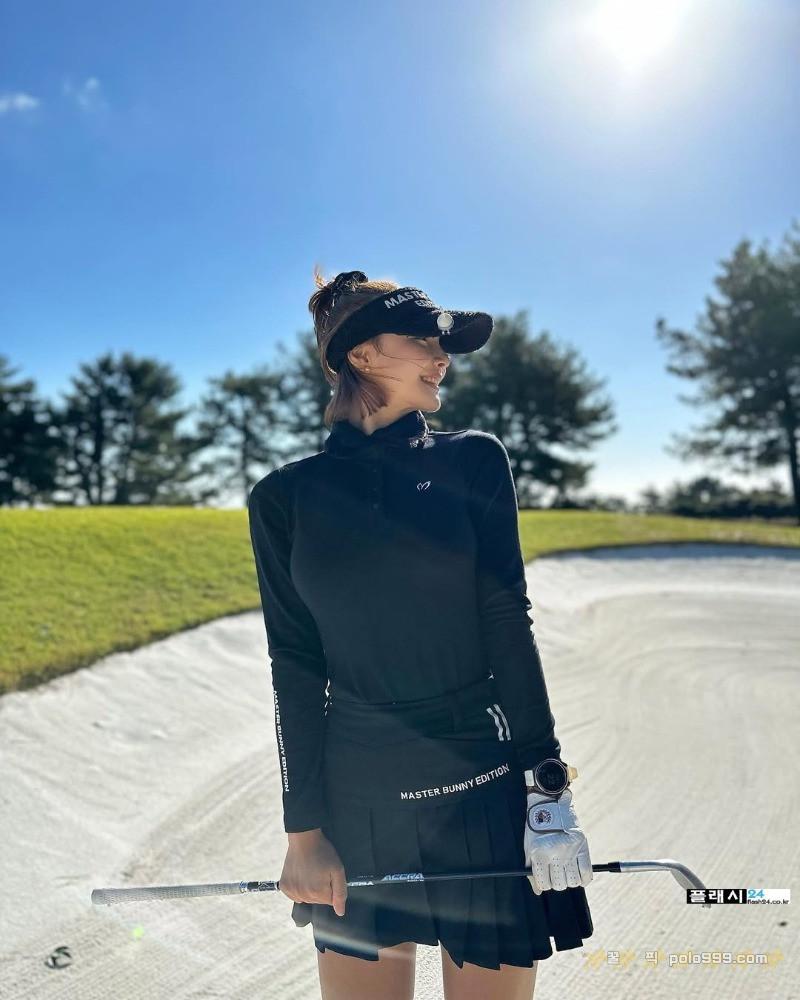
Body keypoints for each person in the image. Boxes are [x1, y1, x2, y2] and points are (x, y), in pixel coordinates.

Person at [247, 269, 594, 1000]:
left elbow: (507, 623)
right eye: (424, 342)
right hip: (358, 805)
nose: (443, 360)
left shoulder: (474, 460)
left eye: (445, 347)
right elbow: (296, 667)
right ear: (361, 355)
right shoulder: (283, 498)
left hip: (482, 789)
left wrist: (547, 789)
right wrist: (303, 834)